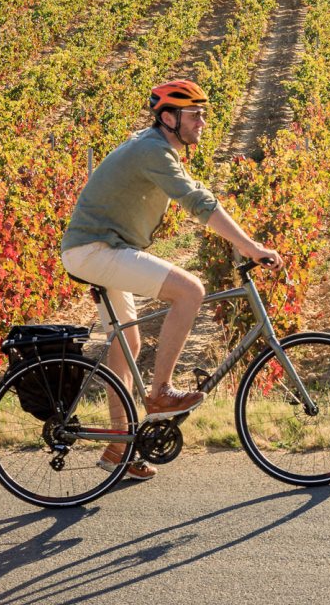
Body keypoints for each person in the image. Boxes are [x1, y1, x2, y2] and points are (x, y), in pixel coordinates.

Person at [60, 79, 283, 480]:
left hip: (97, 248)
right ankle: (160, 393)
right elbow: (197, 202)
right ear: (168, 117)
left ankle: (118, 448)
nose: (202, 122)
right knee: (190, 291)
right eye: (194, 115)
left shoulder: (154, 147)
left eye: (203, 114)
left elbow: (198, 194)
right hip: (95, 250)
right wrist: (250, 246)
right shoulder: (153, 150)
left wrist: (239, 242)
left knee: (126, 340)